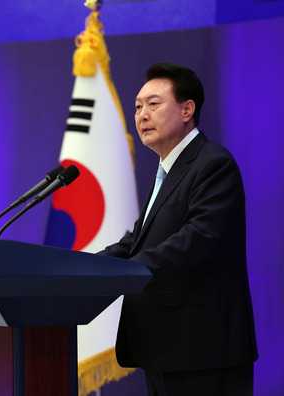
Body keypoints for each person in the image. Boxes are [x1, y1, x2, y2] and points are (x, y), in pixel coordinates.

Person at [99, 63, 258, 396]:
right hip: (166, 345)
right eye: (138, 107)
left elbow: (196, 239)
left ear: (187, 109)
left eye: (153, 104)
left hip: (202, 347)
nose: (142, 115)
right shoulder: (168, 170)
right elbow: (138, 240)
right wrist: (86, 266)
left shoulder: (213, 164)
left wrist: (129, 271)